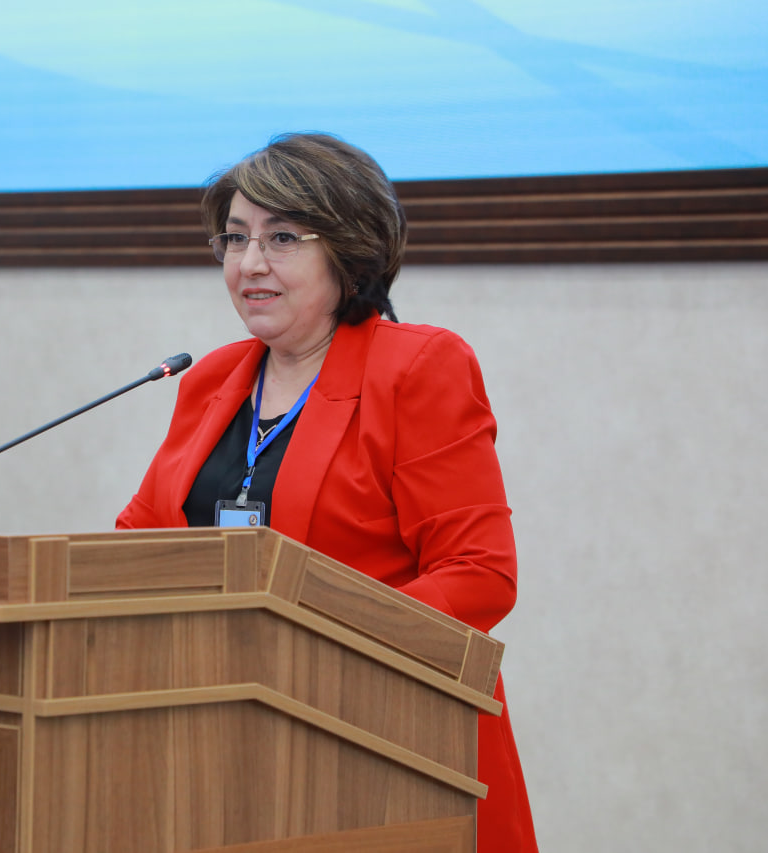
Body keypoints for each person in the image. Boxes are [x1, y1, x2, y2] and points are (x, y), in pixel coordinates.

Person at [117, 132, 537, 851]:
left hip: (388, 747)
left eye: (282, 238)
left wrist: (311, 648)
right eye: (236, 238)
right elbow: (137, 544)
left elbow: (479, 573)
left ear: (347, 250)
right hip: (229, 746)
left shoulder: (417, 367)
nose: (250, 263)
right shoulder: (211, 378)